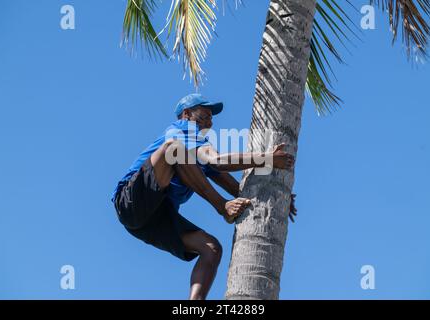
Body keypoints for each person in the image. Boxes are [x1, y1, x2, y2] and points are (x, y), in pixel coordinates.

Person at [112, 93, 296, 300]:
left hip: (153, 218)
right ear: (187, 114)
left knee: (211, 248)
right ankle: (221, 207)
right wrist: (267, 159)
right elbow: (216, 160)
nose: (210, 121)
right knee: (173, 149)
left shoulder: (197, 147)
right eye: (205, 114)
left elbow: (237, 188)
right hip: (129, 200)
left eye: (211, 117)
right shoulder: (180, 129)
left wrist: (276, 196)